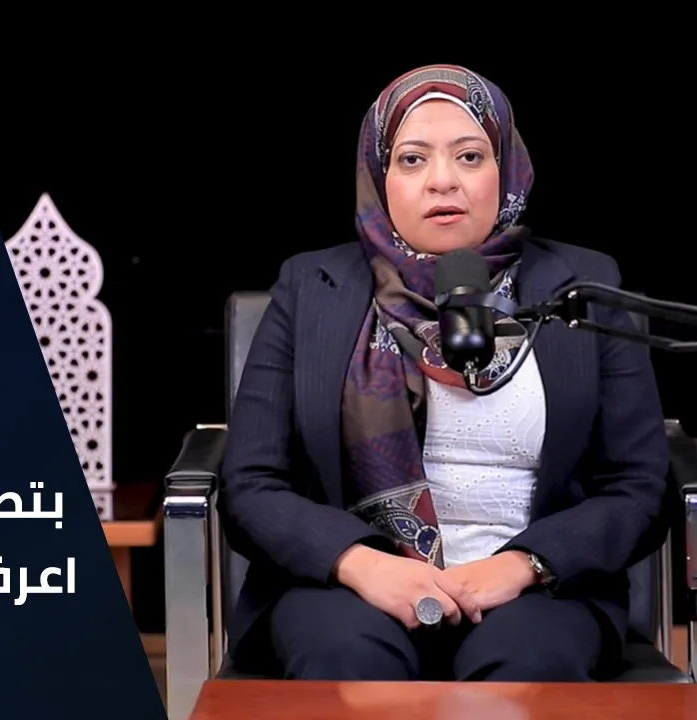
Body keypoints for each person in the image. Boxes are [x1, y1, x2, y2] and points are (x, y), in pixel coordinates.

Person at [217, 64, 671, 682]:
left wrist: (522, 566)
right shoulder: (310, 288)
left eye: (469, 156)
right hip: (349, 586)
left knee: (529, 666)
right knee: (346, 663)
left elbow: (638, 484)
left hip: (538, 589)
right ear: (378, 174)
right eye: (412, 159)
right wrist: (362, 564)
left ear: (506, 168)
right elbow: (252, 483)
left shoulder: (583, 287)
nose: (442, 181)